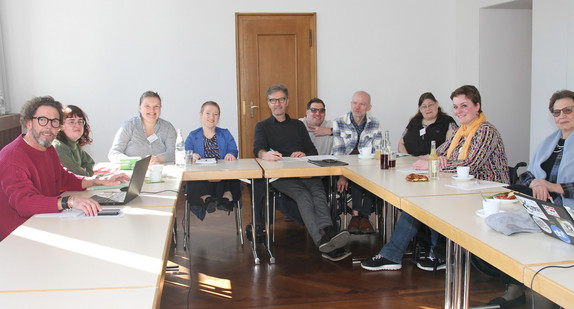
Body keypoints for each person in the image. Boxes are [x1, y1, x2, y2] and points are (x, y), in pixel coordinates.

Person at [361, 85, 509, 272]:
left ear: (477, 106)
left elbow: (470, 164)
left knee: (428, 201)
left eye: (464, 106)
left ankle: (436, 254)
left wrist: (435, 162)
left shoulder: (486, 131)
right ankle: (405, 254)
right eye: (455, 107)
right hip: (462, 188)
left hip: (487, 195)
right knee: (419, 200)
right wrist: (417, 161)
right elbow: (438, 153)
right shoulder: (461, 132)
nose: (459, 111)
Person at [487, 90, 574, 309]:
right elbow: (527, 175)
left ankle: (543, 297)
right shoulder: (549, 143)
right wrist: (535, 183)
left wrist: (555, 187)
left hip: (566, 210)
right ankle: (514, 289)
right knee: (505, 229)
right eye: (556, 113)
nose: (562, 116)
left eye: (568, 110)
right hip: (543, 206)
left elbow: (554, 185)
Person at [0, 96, 130, 240]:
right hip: (19, 235)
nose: (49, 127)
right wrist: (69, 201)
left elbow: (64, 179)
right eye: (42, 120)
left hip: (45, 221)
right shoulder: (13, 157)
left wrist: (99, 181)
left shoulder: (48, 149)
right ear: (29, 123)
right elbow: (24, 204)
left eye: (54, 122)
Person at [254, 84, 351, 261]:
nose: (277, 103)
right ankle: (322, 241)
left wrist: (304, 154)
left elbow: (312, 151)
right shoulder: (262, 126)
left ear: (287, 101)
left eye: (281, 99)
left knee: (319, 194)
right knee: (304, 196)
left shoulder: (298, 126)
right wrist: (266, 154)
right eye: (273, 100)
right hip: (280, 175)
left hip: (304, 171)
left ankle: (330, 232)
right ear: (268, 103)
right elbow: (258, 150)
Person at [332, 91, 382, 234]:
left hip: (368, 166)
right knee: (356, 176)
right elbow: (338, 152)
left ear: (369, 107)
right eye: (355, 103)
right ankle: (357, 217)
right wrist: (342, 175)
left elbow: (377, 150)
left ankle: (363, 216)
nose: (357, 107)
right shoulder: (339, 122)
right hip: (346, 167)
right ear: (350, 104)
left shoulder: (374, 123)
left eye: (362, 104)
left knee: (374, 179)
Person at [185, 101, 239, 219]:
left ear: (219, 117)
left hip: (223, 175)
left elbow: (234, 150)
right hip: (202, 176)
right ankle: (208, 199)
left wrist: (231, 154)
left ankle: (226, 198)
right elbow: (186, 153)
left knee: (231, 176)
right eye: (208, 113)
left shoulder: (225, 133)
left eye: (215, 114)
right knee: (197, 179)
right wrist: (191, 155)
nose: (211, 117)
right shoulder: (193, 135)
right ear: (201, 115)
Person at [108, 91, 177, 164]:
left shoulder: (168, 127)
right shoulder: (129, 126)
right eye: (147, 106)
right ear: (140, 108)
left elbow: (175, 152)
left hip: (160, 172)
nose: (152, 110)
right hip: (131, 172)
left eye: (156, 106)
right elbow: (114, 153)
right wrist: (131, 161)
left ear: (160, 108)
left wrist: (158, 159)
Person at [398, 92, 458, 156]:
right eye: (424, 107)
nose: (428, 109)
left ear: (437, 104)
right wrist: (407, 158)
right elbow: (401, 143)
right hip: (410, 162)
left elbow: (451, 144)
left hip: (433, 162)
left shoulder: (447, 121)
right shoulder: (414, 121)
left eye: (430, 105)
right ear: (420, 109)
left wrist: (431, 157)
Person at [53, 105, 95, 176]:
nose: (77, 125)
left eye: (80, 121)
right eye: (71, 122)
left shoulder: (75, 145)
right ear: (61, 126)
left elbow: (90, 164)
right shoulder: (59, 147)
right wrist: (83, 172)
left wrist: (85, 172)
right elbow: (76, 174)